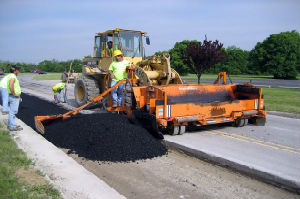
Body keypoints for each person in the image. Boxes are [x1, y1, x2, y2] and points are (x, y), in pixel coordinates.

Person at [7, 65, 23, 131]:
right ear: (15, 70)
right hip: (13, 97)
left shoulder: (9, 76)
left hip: (10, 96)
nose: (19, 71)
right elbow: (11, 86)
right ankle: (12, 127)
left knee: (11, 111)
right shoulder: (13, 77)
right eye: (18, 70)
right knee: (13, 112)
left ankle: (11, 124)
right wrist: (14, 94)